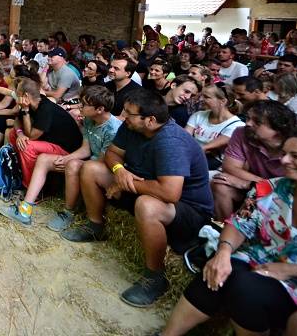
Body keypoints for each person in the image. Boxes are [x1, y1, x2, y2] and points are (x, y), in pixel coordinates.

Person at [160, 132, 297, 336]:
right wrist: (222, 253)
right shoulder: (273, 187)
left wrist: (296, 270)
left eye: (296, 156)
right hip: (258, 261)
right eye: (284, 154)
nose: (284, 160)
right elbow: (240, 224)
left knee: (245, 288)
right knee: (217, 270)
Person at [61, 89, 213, 307]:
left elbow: (170, 193)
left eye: (129, 113)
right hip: (142, 183)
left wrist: (124, 184)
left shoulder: (171, 141)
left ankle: (155, 277)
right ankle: (95, 226)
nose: (123, 115)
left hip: (186, 210)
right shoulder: (132, 125)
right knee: (91, 169)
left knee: (147, 206)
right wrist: (119, 171)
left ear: (150, 120)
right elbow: (112, 153)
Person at [0, 77, 82, 225]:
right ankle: (20, 175)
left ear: (26, 96)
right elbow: (17, 121)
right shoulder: (35, 101)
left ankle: (33, 192)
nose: (16, 97)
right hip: (49, 143)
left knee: (28, 145)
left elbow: (32, 136)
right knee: (14, 134)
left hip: (66, 150)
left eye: (18, 94)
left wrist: (26, 112)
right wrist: (20, 133)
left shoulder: (45, 108)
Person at [44, 86, 122, 231]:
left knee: (74, 166)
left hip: (107, 168)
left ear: (99, 109)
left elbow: (104, 160)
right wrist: (67, 158)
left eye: (84, 104)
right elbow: (86, 148)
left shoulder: (113, 129)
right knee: (71, 163)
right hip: (93, 161)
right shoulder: (88, 119)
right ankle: (69, 212)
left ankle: (71, 212)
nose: (80, 106)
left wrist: (77, 165)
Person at [210, 100, 294, 219]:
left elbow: (293, 189)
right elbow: (230, 167)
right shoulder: (242, 132)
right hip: (254, 188)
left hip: (283, 197)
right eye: (248, 118)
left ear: (278, 129)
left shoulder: (295, 146)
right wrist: (253, 184)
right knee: (220, 183)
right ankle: (223, 228)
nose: (248, 123)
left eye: (257, 122)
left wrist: (250, 184)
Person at [186, 84, 244, 170]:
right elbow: (185, 137)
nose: (201, 99)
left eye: (206, 97)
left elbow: (205, 148)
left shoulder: (236, 125)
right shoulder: (198, 115)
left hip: (214, 162)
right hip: (192, 154)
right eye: (202, 96)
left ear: (223, 101)